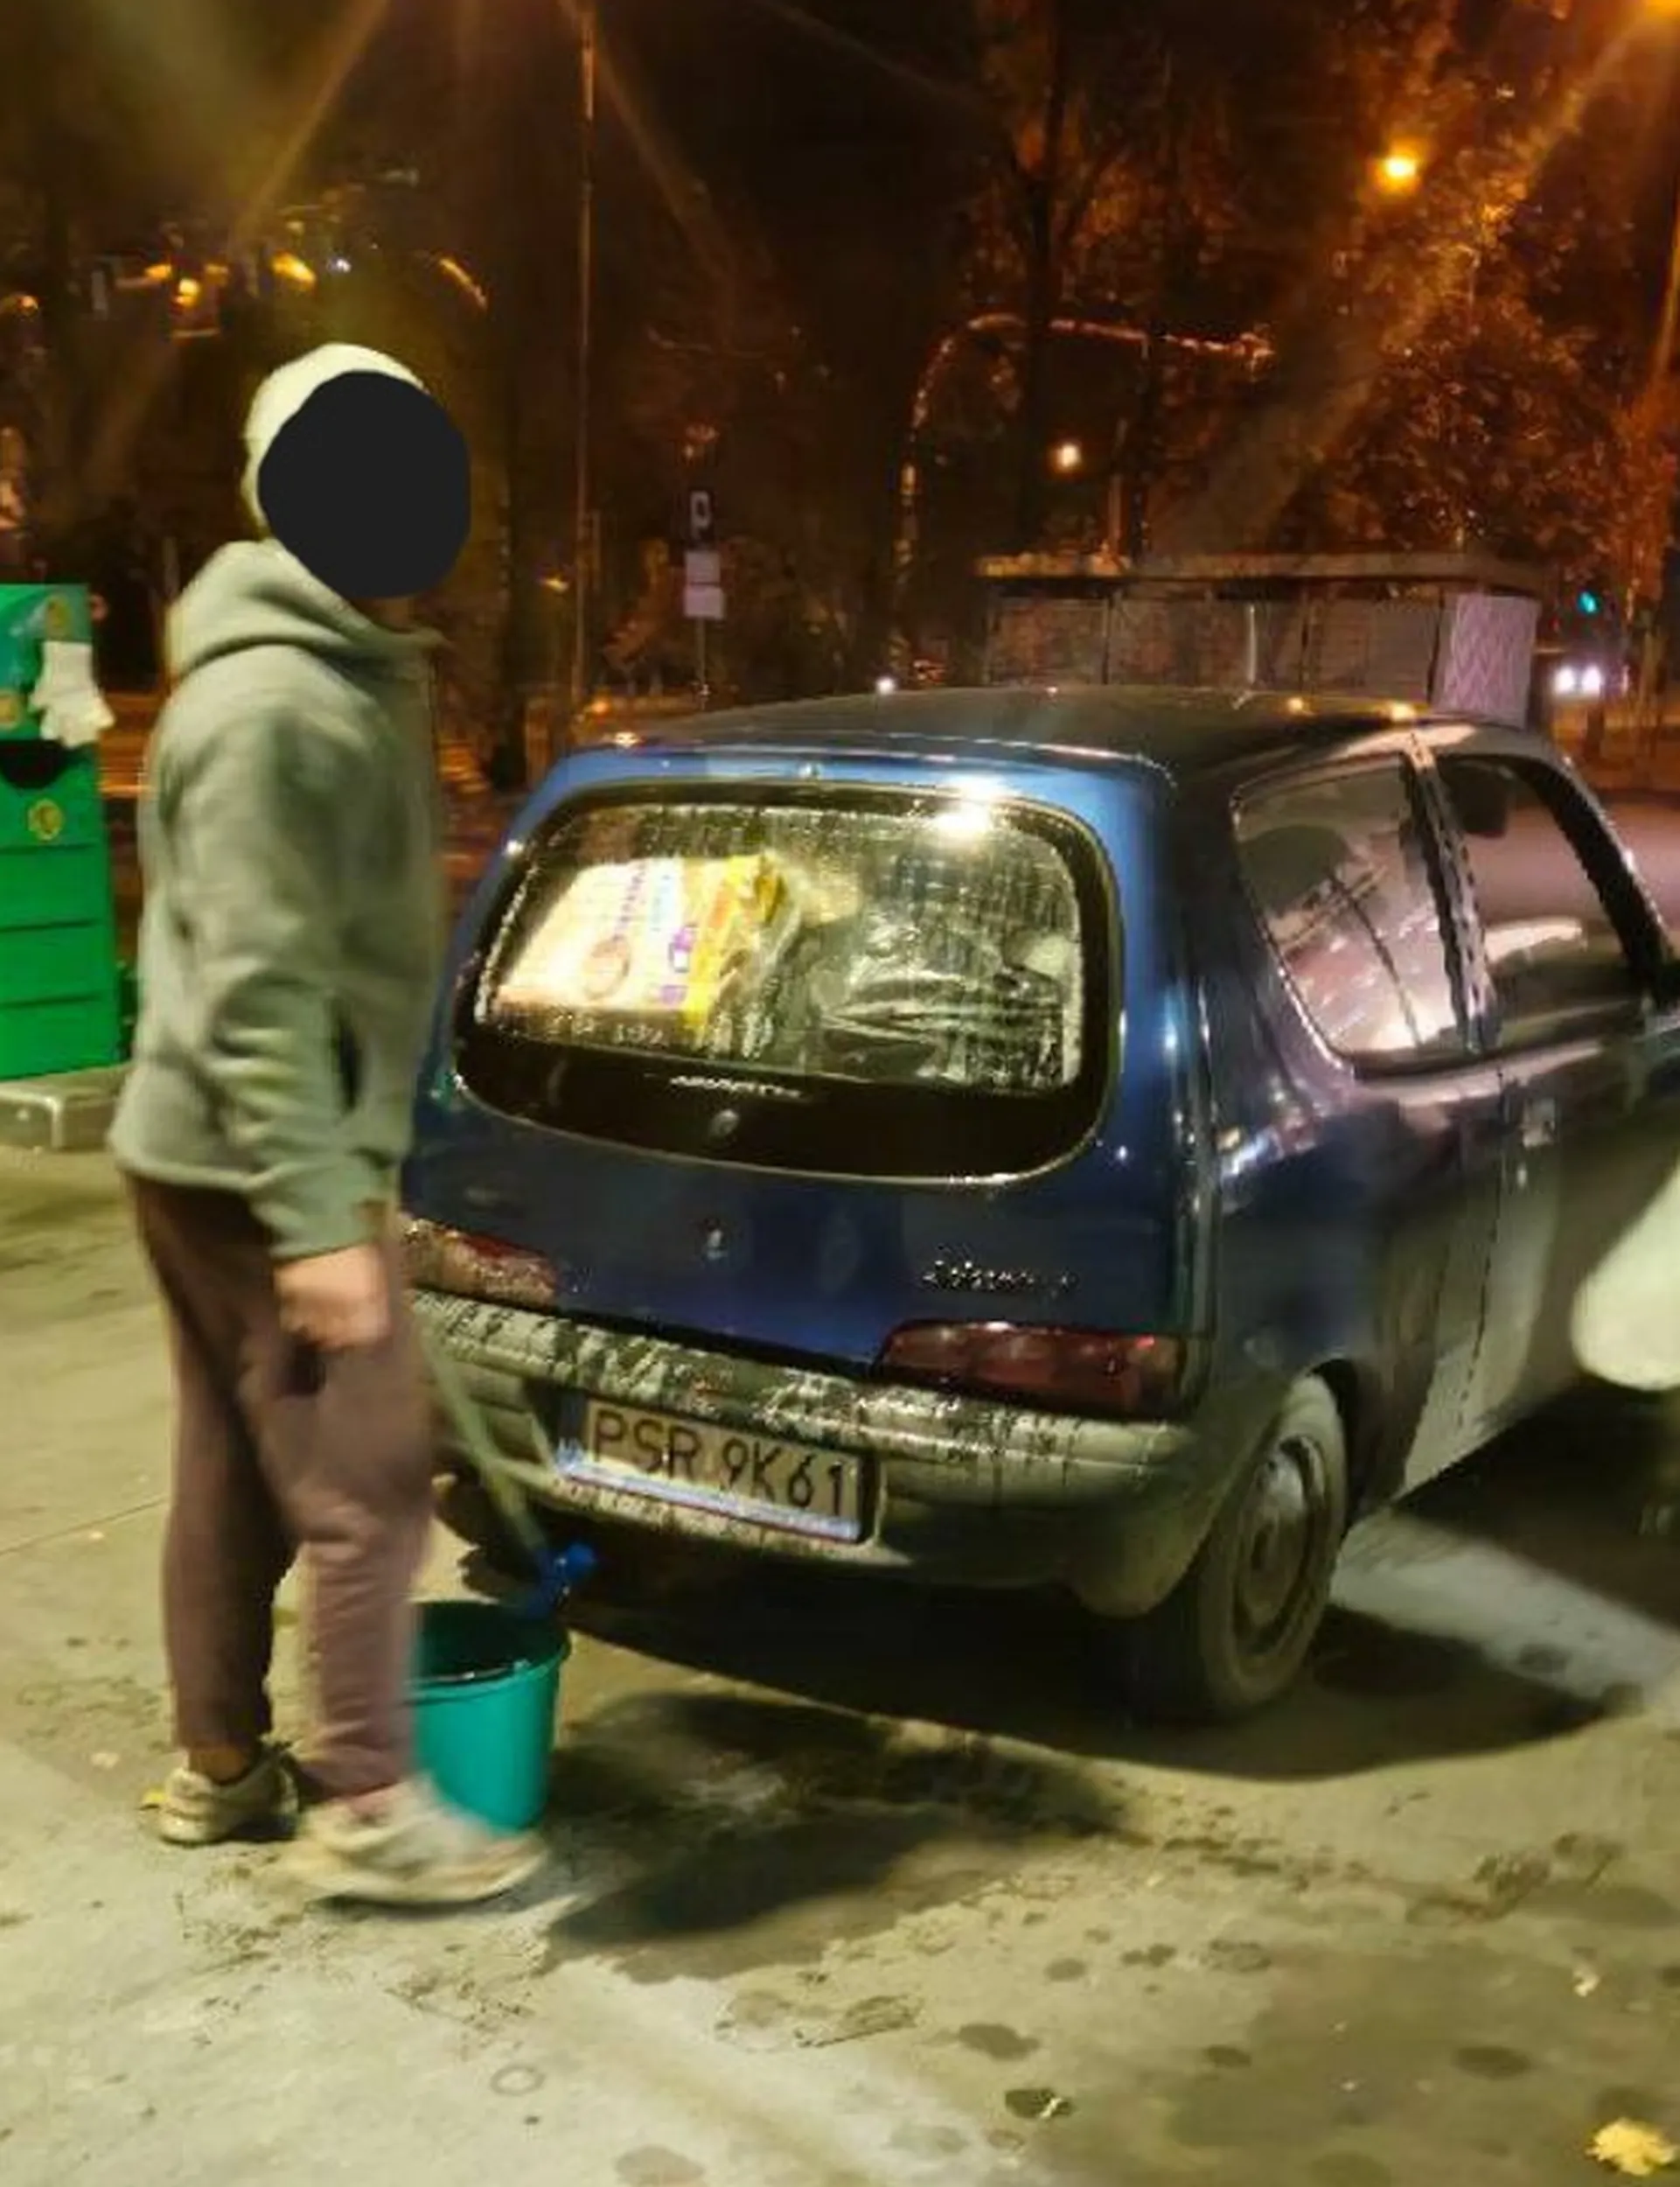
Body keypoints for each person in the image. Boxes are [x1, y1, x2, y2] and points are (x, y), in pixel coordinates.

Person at [111, 343, 544, 1906]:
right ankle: (369, 1803)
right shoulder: (274, 709)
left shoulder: (345, 669)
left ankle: (223, 1766)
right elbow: (259, 986)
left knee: (238, 1467)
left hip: (220, 1144)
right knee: (370, 1477)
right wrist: (316, 1221)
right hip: (253, 1155)